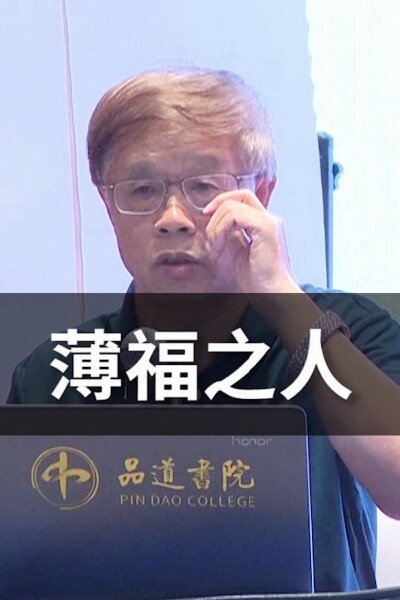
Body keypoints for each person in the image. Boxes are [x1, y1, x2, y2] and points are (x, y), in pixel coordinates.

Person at [7, 67, 400, 592]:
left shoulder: (348, 330)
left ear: (261, 192)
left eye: (202, 187)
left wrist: (283, 300)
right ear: (107, 204)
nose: (172, 217)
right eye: (141, 190)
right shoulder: (57, 374)